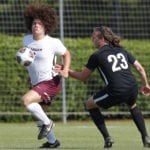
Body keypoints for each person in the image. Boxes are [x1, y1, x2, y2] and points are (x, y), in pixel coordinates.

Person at [55, 26, 150, 148]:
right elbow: (140, 68)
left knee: (89, 104)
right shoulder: (122, 51)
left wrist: (66, 69)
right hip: (132, 87)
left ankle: (107, 138)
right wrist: (145, 84)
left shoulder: (97, 55)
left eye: (93, 37)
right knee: (132, 105)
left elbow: (83, 77)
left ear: (102, 39)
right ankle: (146, 137)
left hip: (116, 90)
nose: (91, 39)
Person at [20, 3, 71, 149]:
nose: (36, 25)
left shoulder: (53, 42)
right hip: (37, 83)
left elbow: (66, 54)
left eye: (39, 23)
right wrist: (31, 74)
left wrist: (65, 69)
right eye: (34, 23)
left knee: (26, 101)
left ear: (46, 26)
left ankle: (48, 123)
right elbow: (30, 60)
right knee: (36, 114)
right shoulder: (27, 40)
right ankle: (53, 142)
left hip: (50, 82)